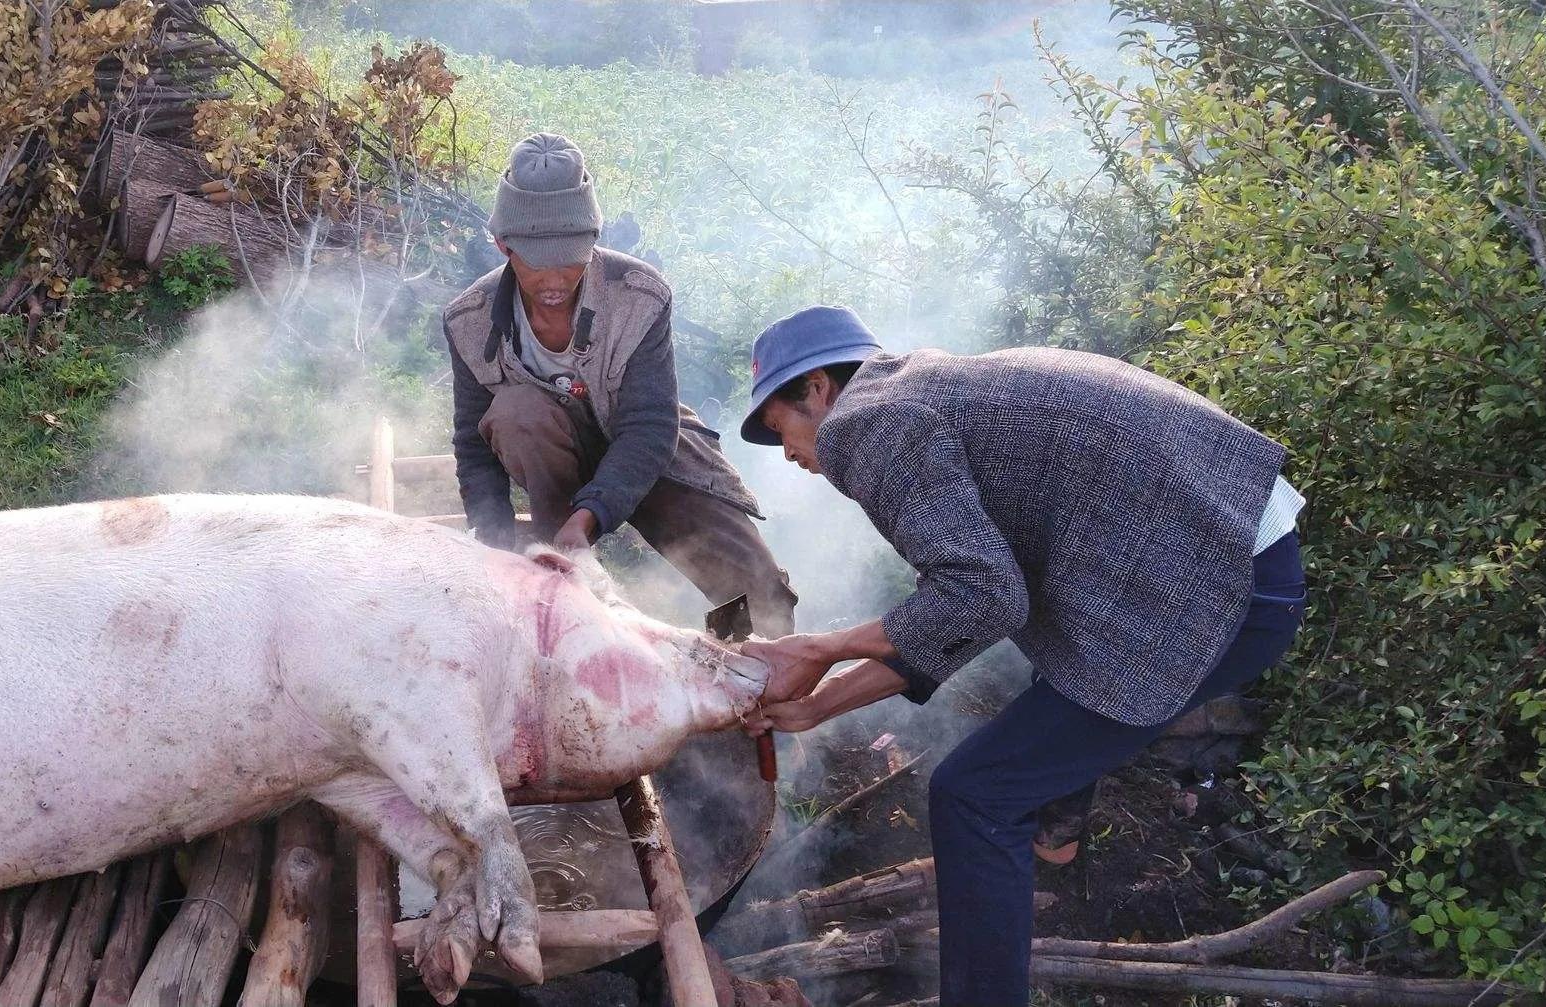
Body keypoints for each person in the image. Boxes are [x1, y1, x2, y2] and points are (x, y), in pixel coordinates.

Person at [734, 305, 1307, 1006]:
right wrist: (820, 702)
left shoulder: (866, 423)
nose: (787, 452)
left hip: (1221, 583)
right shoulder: (914, 391)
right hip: (1237, 550)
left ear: (819, 388)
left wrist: (822, 646)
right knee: (1050, 683)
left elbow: (980, 598)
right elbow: (963, 608)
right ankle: (1057, 852)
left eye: (780, 428)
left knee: (974, 795)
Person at [445, 133, 797, 634]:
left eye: (571, 259)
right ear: (503, 245)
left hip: (648, 448)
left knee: (760, 597)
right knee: (516, 413)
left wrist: (593, 513)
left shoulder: (639, 295)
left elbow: (650, 424)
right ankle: (568, 591)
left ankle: (744, 678)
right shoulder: (469, 320)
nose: (554, 280)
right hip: (551, 460)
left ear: (593, 239)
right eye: (535, 263)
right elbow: (472, 443)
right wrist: (494, 543)